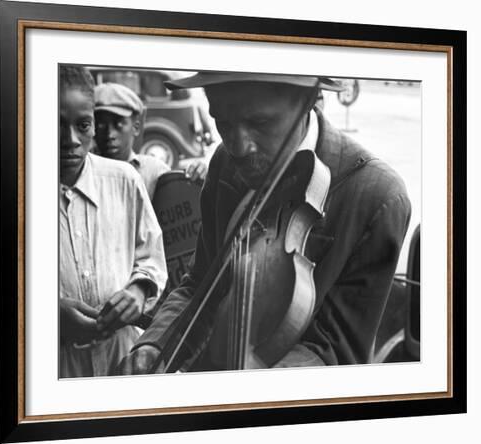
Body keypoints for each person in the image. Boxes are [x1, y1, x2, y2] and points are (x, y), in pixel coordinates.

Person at [116, 72, 411, 374]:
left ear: (307, 102)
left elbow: (335, 352)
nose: (238, 147)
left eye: (260, 124)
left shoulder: (376, 196)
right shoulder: (224, 163)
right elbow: (200, 283)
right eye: (223, 123)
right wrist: (153, 345)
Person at [58, 65, 167, 378]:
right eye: (56, 125)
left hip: (122, 361)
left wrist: (137, 292)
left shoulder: (124, 180)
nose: (71, 140)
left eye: (83, 125)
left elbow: (152, 260)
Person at [94, 82, 207, 200]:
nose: (110, 134)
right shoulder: (85, 172)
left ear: (136, 127)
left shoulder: (154, 172)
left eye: (119, 124)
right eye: (101, 125)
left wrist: (198, 178)